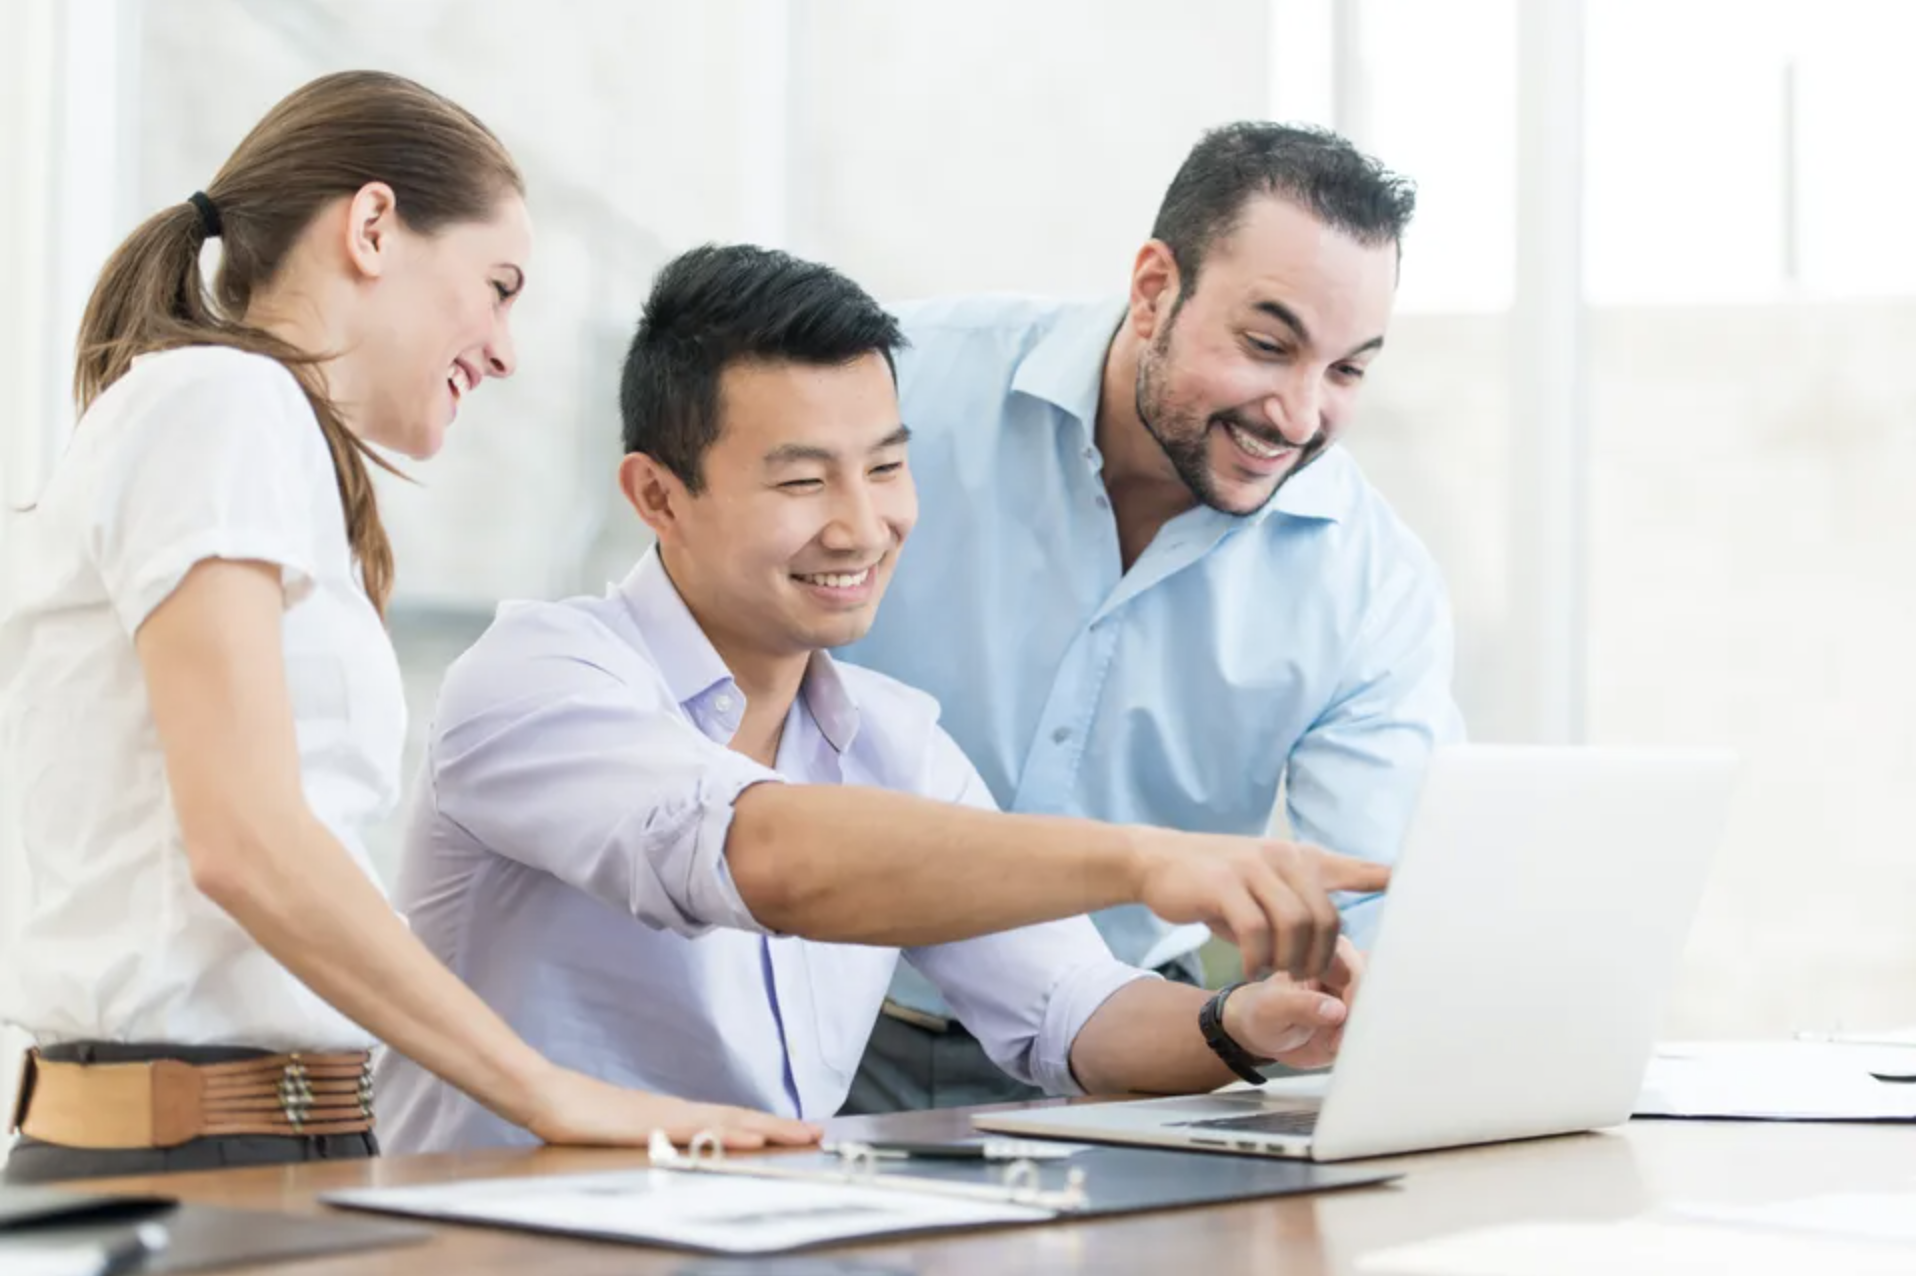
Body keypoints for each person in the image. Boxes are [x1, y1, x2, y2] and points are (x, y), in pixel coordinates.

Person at [375, 244, 1384, 1152]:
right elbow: (763, 855)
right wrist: (1145, 859)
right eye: (802, 483)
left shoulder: (894, 740)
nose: (862, 528)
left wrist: (1242, 1023)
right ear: (656, 495)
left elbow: (1075, 1012)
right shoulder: (538, 677)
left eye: (887, 468)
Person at [0, 71, 814, 1185]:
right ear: (374, 227)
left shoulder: (263, 439)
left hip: (277, 1143)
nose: (507, 348)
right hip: (184, 1153)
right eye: (499, 284)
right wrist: (545, 1090)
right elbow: (246, 843)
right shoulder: (217, 402)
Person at [837, 122, 1465, 1112]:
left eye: (1345, 371)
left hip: (1137, 1051)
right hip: (821, 1012)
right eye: (1267, 346)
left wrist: (1390, 1000)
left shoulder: (1367, 580)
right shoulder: (892, 391)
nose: (1298, 417)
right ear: (1149, 289)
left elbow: (1382, 896)